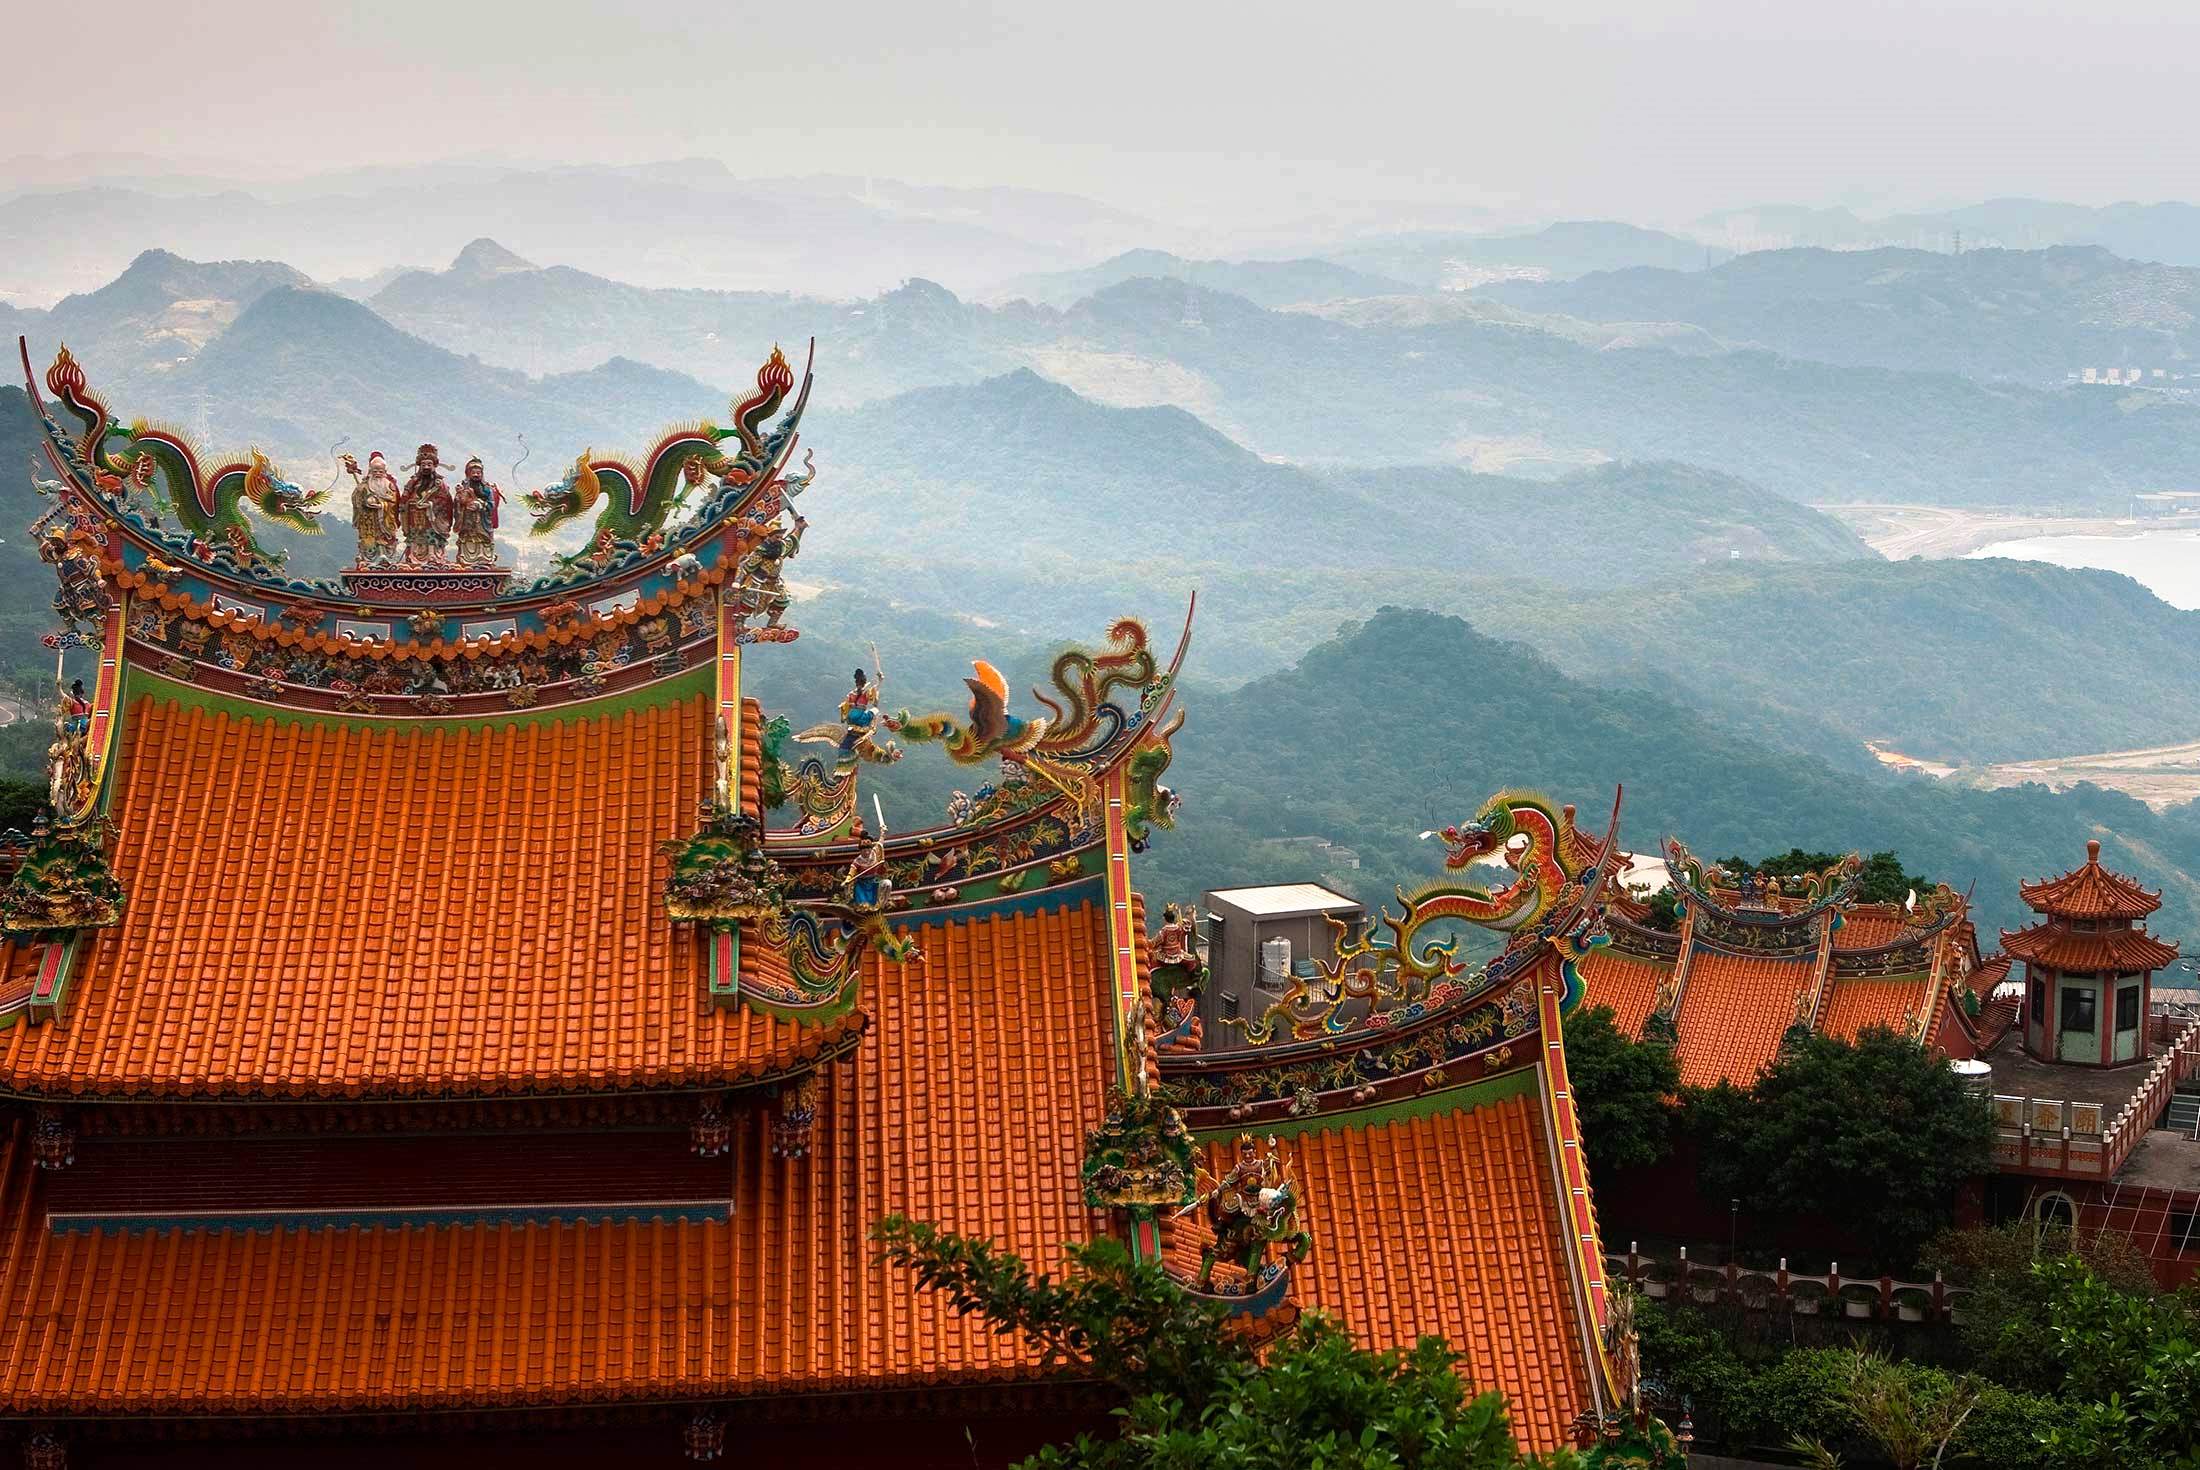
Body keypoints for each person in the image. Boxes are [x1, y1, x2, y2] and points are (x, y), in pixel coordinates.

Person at [343, 451, 402, 567]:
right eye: (375, 471)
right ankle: (368, 557)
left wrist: (382, 505)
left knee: (385, 538)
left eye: (381, 471)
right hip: (369, 518)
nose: (378, 474)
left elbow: (394, 502)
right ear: (370, 471)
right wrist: (364, 499)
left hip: (385, 519)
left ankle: (385, 554)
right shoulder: (365, 484)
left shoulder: (389, 485)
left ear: (385, 472)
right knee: (369, 539)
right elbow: (357, 498)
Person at [399, 444, 453, 565]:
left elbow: (445, 500)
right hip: (415, 515)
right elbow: (404, 499)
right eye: (423, 465)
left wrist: (430, 504)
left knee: (431, 534)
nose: (426, 467)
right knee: (415, 534)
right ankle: (413, 555)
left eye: (429, 465)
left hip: (432, 517)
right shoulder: (413, 482)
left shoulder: (439, 484)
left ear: (434, 466)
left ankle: (433, 555)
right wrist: (409, 503)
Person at [452, 457, 503, 568]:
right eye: (473, 472)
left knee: (483, 539)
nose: (476, 475)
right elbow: (457, 503)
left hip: (482, 520)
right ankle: (465, 558)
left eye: (478, 473)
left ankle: (484, 558)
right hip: (467, 520)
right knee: (467, 538)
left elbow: (491, 504)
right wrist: (459, 500)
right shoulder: (463, 488)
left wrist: (479, 505)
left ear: (482, 474)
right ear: (468, 474)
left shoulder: (487, 489)